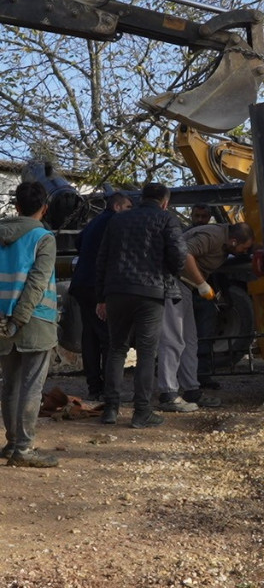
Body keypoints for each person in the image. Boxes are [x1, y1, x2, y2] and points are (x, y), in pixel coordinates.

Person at [95, 183, 186, 428]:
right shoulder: (167, 219)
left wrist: (101, 296)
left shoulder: (117, 220)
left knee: (116, 349)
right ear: (165, 202)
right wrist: (170, 272)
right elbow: (179, 255)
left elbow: (102, 258)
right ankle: (142, 411)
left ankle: (111, 409)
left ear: (141, 198)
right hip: (150, 292)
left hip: (116, 291)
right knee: (146, 351)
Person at [156, 222, 254, 412]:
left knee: (189, 340)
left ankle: (191, 389)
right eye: (244, 247)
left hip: (184, 285)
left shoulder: (223, 241)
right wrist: (201, 283)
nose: (244, 252)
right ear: (234, 241)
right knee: (173, 339)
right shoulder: (214, 236)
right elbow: (185, 253)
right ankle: (168, 393)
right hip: (172, 281)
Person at [0, 181, 59, 467]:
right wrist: (20, 319)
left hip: (1, 321)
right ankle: (23, 449)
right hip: (35, 321)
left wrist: (7, 320)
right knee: (31, 386)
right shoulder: (43, 238)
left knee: (10, 384)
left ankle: (12, 444)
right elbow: (37, 283)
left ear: (17, 206)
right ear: (44, 208)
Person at [68, 192, 132, 400]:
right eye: (128, 207)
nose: (130, 212)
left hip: (80, 283)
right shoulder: (115, 222)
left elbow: (78, 242)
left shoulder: (95, 222)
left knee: (90, 335)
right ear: (117, 207)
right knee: (107, 336)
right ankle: (108, 389)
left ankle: (94, 386)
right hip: (97, 285)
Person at [188, 204, 220, 389]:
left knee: (205, 337)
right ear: (191, 215)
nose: (200, 219)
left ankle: (204, 376)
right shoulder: (186, 235)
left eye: (204, 216)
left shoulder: (213, 238)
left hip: (205, 295)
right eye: (197, 216)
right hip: (187, 293)